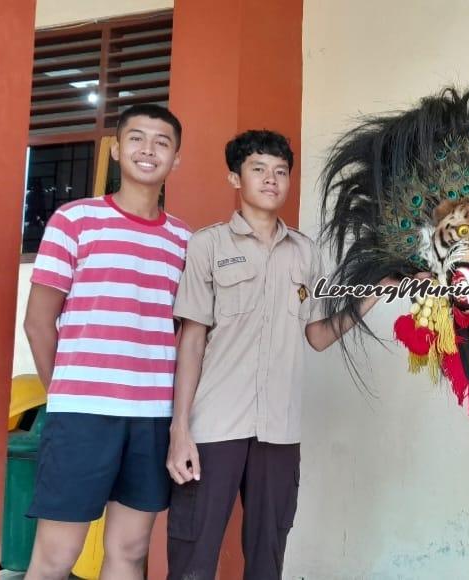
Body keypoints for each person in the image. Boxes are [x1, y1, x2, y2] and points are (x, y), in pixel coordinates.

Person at [165, 130, 396, 580]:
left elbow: (317, 336)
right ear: (235, 178)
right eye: (258, 169)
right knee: (194, 554)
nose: (271, 179)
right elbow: (191, 340)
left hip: (279, 429)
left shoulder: (305, 252)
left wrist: (371, 297)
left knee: (268, 554)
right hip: (214, 425)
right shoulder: (207, 246)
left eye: (280, 171)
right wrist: (180, 430)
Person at [23, 104, 190, 580]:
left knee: (131, 551)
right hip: (81, 414)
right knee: (56, 556)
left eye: (162, 142)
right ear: (117, 149)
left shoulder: (185, 241)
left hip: (152, 416)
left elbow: (187, 334)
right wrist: (65, 395)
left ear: (176, 159)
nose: (148, 150)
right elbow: (38, 322)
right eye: (136, 138)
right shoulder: (75, 221)